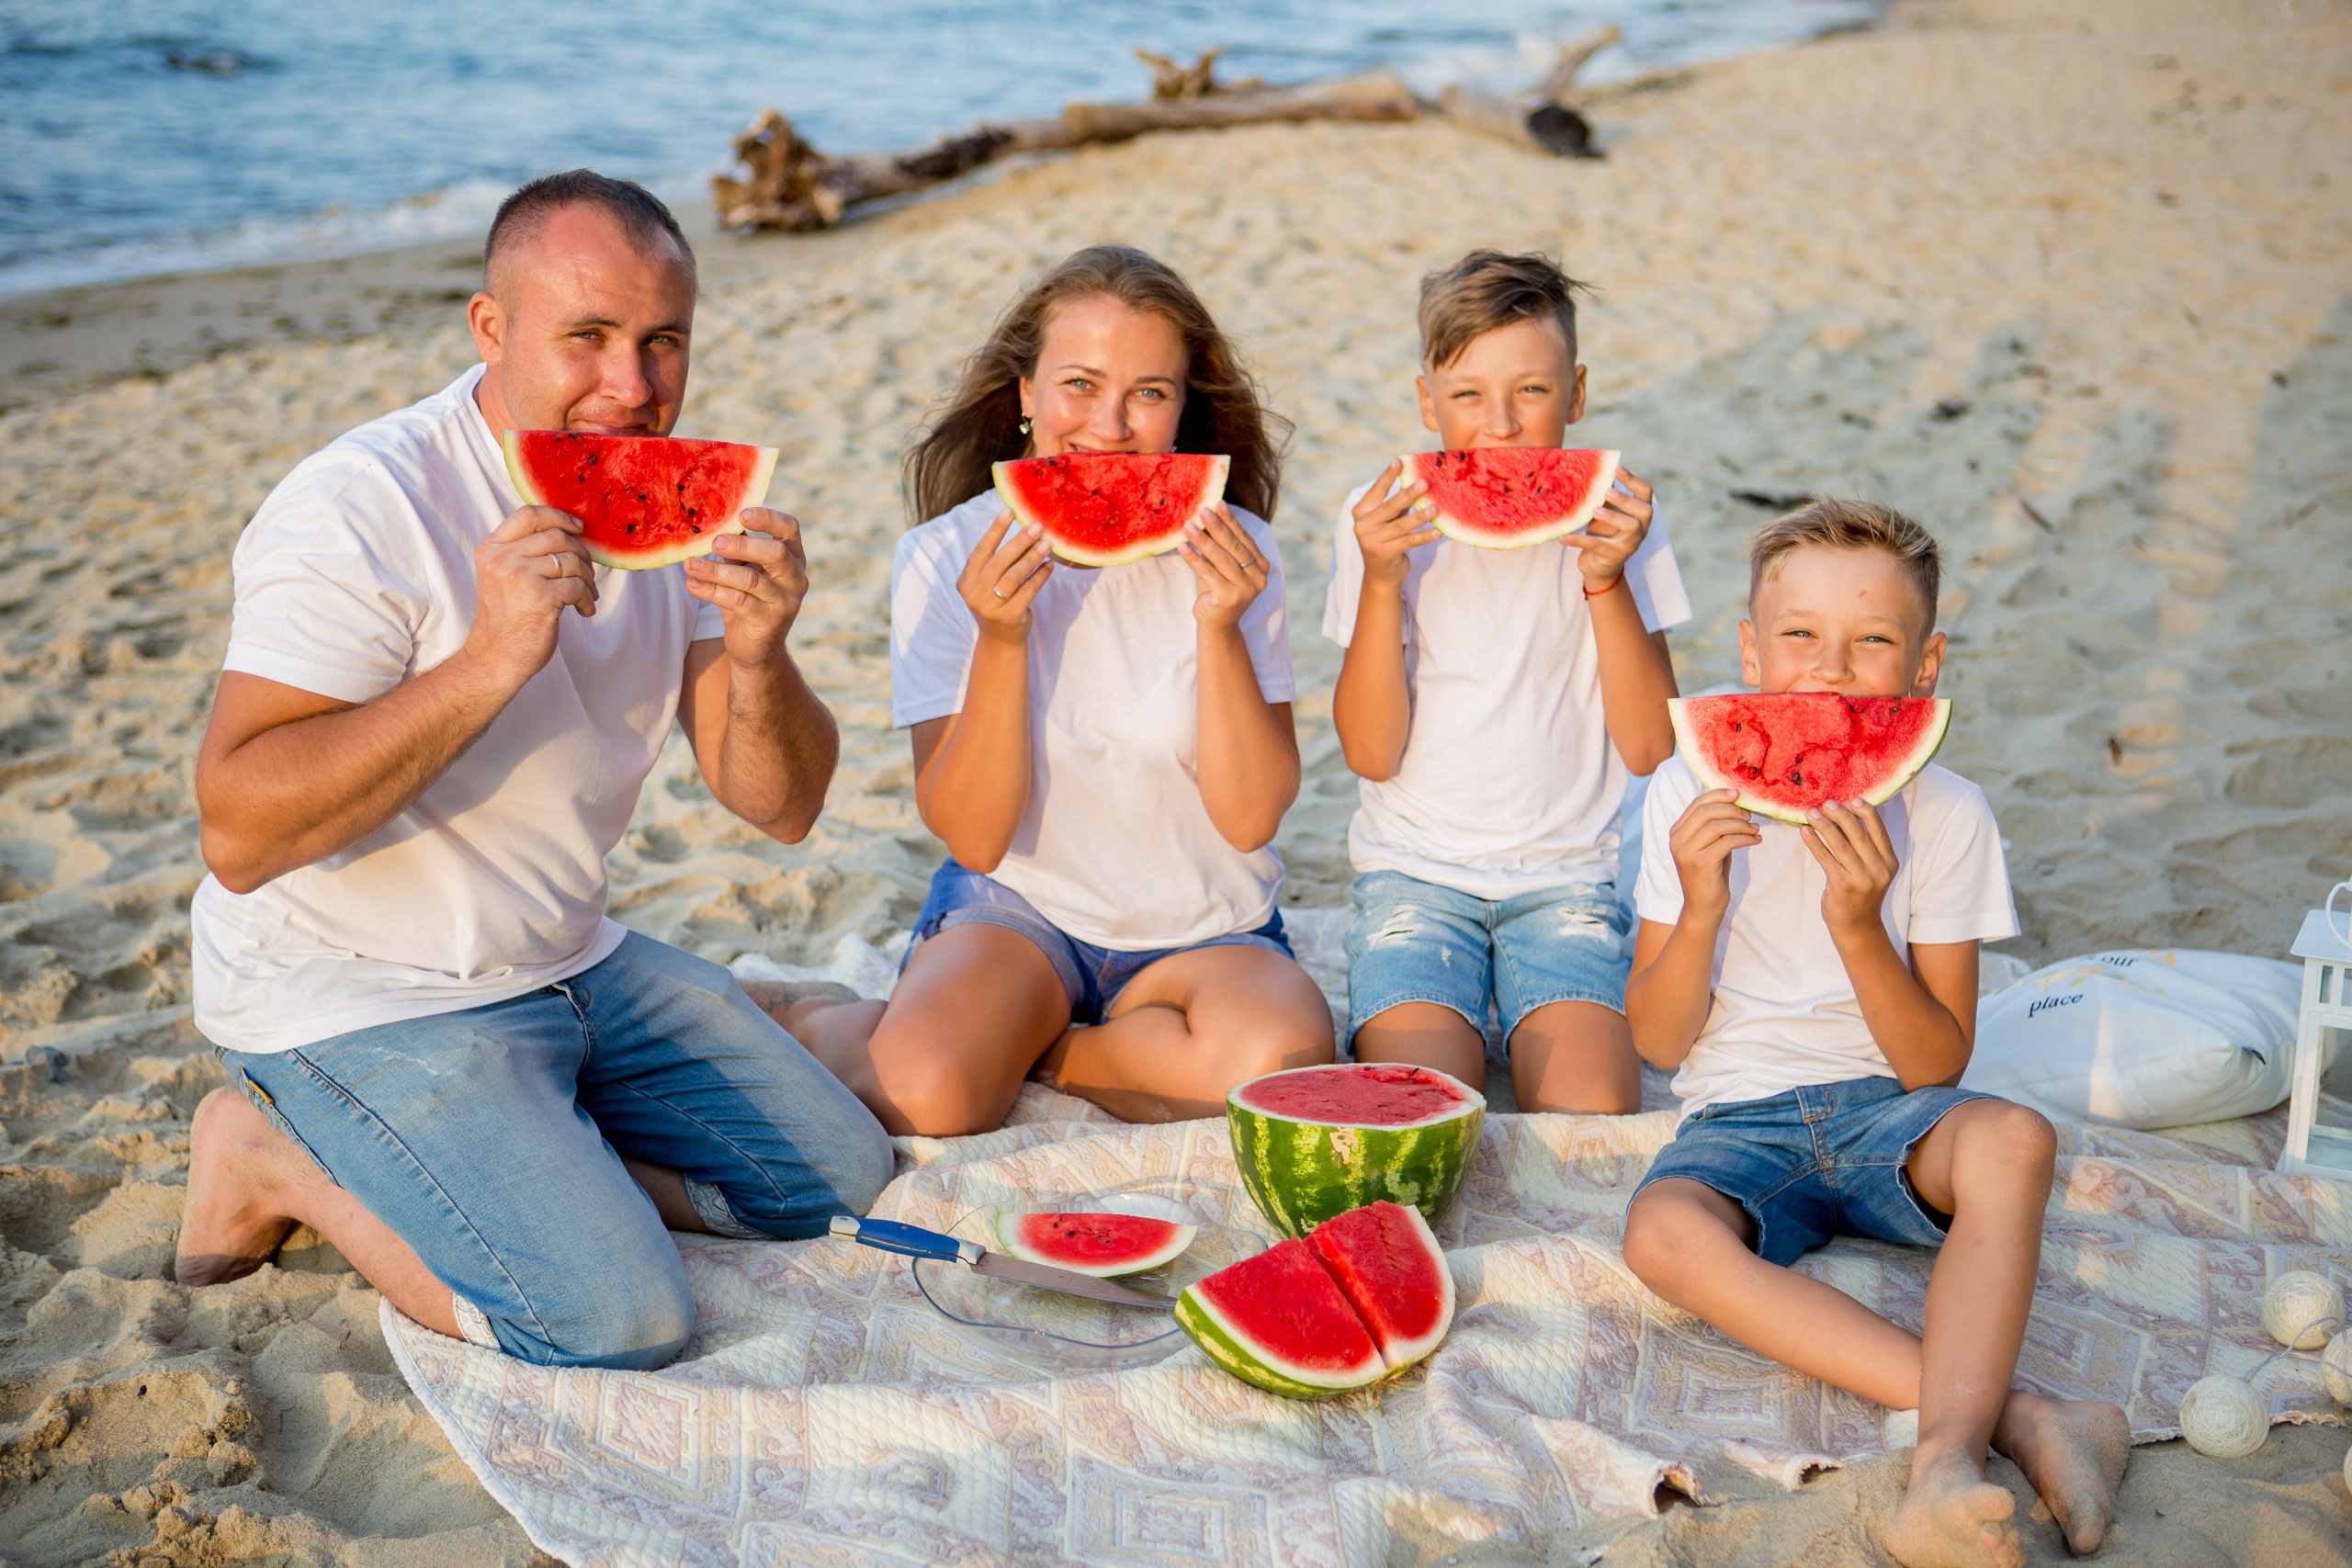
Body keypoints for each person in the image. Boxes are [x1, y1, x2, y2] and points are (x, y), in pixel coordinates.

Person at [173, 171, 893, 1371]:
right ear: (491, 330)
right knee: (617, 1319)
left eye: (664, 341)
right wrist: (491, 657)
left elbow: (779, 805)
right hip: (361, 994)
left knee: (835, 1177)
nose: (632, 385)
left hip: (569, 960)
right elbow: (238, 827)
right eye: (589, 337)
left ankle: (540, 1145)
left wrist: (761, 657)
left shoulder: (665, 486)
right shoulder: (359, 506)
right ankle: (272, 1153)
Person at [1620, 501, 2128, 1567]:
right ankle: (2023, 1417)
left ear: (1926, 663)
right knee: (1660, 1235)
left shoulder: (1947, 813)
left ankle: (1942, 1465)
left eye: (1873, 641)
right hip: (1736, 1118)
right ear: (1749, 651)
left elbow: (1936, 1062)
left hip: (1889, 1109)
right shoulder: (1685, 786)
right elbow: (1659, 1039)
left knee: (2014, 1139)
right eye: (1797, 637)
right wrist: (1703, 901)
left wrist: (1858, 926)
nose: (1830, 673)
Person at [776, 245, 1334, 1134]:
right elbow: (973, 831)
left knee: (1279, 1062)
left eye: (1149, 393)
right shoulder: (942, 557)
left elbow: (1251, 817)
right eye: (1079, 384)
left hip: (1204, 927)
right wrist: (1002, 638)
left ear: (1183, 412)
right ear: (1026, 396)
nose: (1109, 428)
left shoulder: (1240, 552)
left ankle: (1042, 1052)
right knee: (926, 1091)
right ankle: (803, 1016)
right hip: (1019, 911)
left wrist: (1219, 627)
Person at [1324, 251, 1687, 1112]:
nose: (1502, 426)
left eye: (1531, 390)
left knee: (1593, 1112)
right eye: (1467, 396)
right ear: (1425, 402)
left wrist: (1606, 578)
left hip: (1566, 879)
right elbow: (1371, 751)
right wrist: (1382, 579)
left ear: (1578, 393)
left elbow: (1651, 745)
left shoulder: (1623, 515)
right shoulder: (1379, 520)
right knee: (1421, 1110)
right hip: (1415, 875)